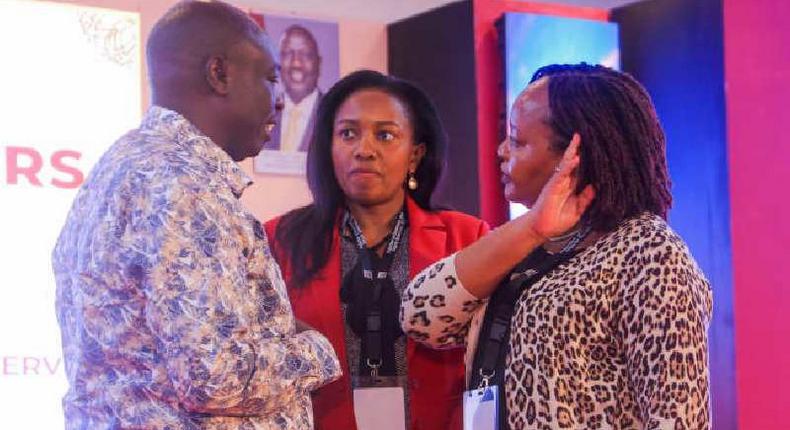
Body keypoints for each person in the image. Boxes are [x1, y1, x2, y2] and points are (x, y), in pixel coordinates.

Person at [51, 2, 341, 429]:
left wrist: (273, 325)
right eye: (269, 78)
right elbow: (213, 376)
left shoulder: (122, 166)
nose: (278, 101)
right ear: (218, 74)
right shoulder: (183, 186)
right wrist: (317, 349)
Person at [401, 64, 713, 429]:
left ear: (575, 156)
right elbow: (420, 317)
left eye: (517, 140)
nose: (501, 151)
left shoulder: (651, 253)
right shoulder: (524, 244)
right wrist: (532, 228)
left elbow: (679, 418)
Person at [265, 70, 489, 429]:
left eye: (385, 135)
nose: (364, 150)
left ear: (415, 154)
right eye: (348, 133)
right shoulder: (280, 239)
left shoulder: (466, 238)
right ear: (329, 146)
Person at [264, 24, 322, 152]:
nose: (296, 63)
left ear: (319, 63)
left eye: (306, 55)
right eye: (287, 54)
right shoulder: (264, 113)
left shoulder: (332, 114)